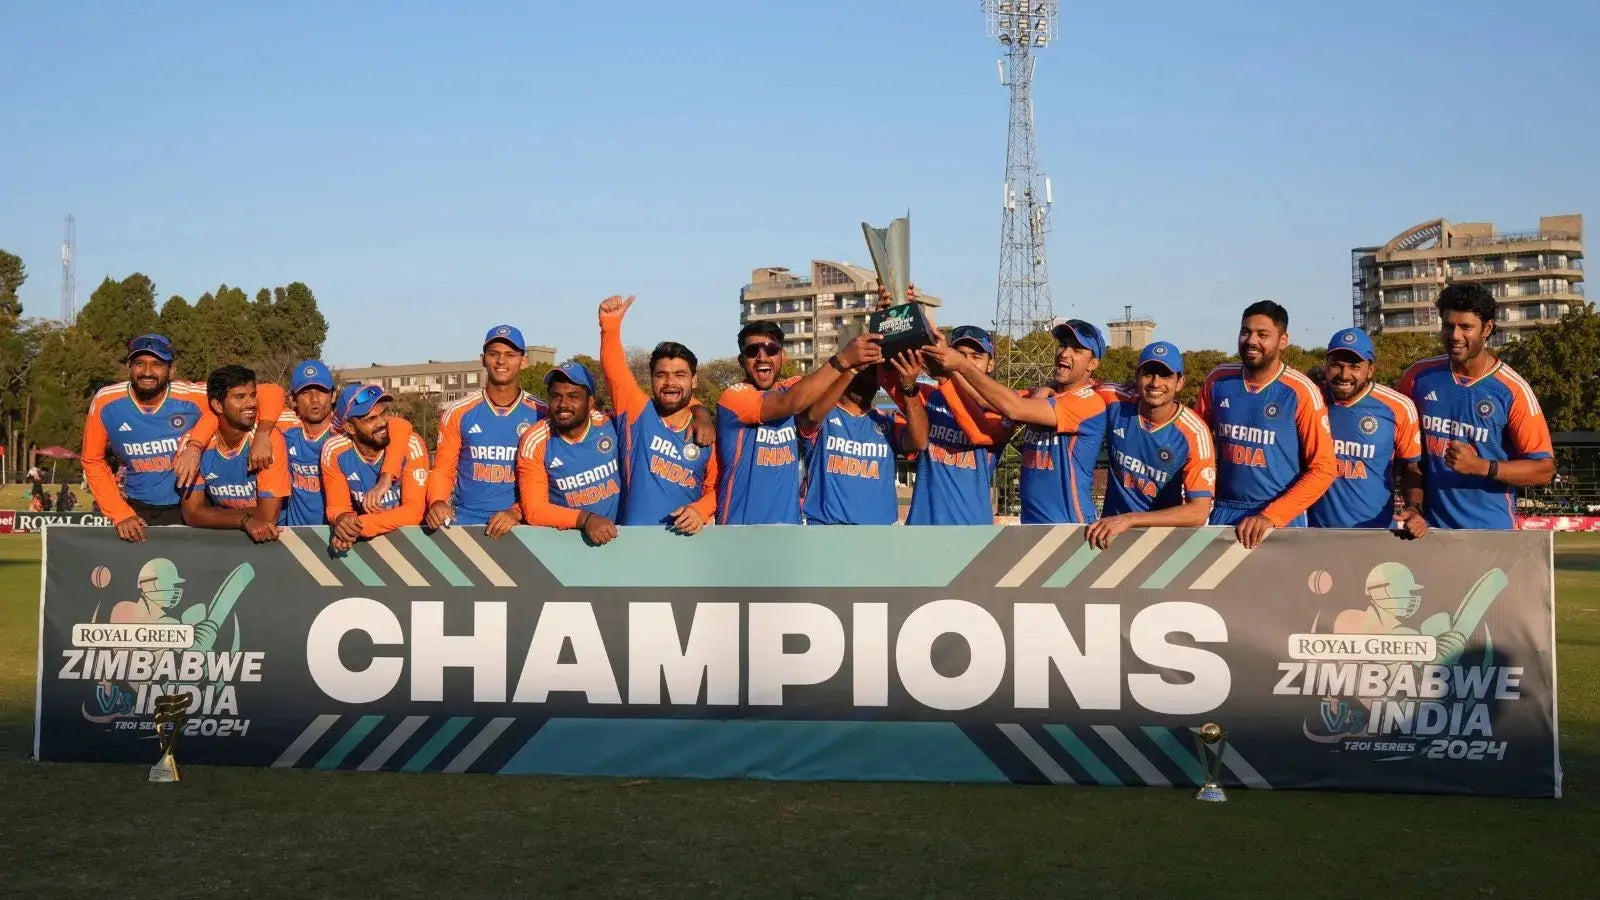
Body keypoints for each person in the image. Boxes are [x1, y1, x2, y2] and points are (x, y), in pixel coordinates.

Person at [81, 334, 283, 543]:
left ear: (172, 370)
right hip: (135, 510)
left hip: (190, 508)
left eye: (157, 364)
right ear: (128, 366)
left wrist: (261, 433)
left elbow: (269, 392)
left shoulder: (191, 395)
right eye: (139, 363)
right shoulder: (106, 401)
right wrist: (119, 512)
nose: (147, 372)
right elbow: (92, 460)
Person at [1398, 283, 1555, 529]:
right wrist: (1413, 506)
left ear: (1487, 328)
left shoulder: (1512, 390)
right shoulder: (1418, 377)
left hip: (1490, 534)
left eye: (1465, 327)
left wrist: (1480, 466)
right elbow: (1403, 453)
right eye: (1448, 326)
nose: (1454, 336)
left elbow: (1544, 470)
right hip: (1430, 531)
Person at [923, 321, 1110, 525]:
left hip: (1069, 525)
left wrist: (960, 365)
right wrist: (947, 371)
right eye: (1063, 345)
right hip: (1031, 523)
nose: (1065, 353)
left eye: (1077, 350)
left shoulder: (1088, 402)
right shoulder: (1041, 394)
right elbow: (985, 398)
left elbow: (1013, 407)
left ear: (1093, 364)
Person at [714, 320, 885, 525]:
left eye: (771, 349)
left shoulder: (794, 387)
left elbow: (827, 393)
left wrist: (880, 323)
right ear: (742, 361)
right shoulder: (734, 397)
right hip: (740, 528)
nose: (762, 357)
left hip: (789, 529)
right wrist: (844, 359)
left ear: (783, 356)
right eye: (752, 351)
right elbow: (792, 402)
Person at [1194, 301, 1336, 548]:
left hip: (1278, 517)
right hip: (1225, 511)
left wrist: (1273, 515)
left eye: (1262, 334)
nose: (1251, 340)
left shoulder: (1301, 391)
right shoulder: (1218, 380)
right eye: (1245, 332)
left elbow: (1324, 468)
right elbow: (1193, 440)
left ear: (1283, 340)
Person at [598, 295, 717, 533]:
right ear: (651, 379)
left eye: (680, 375)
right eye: (661, 375)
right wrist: (610, 327)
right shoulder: (637, 413)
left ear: (694, 380)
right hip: (635, 542)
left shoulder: (706, 434)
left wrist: (700, 510)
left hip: (686, 543)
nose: (670, 382)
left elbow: (716, 488)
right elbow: (615, 372)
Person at [1085, 342, 1217, 548]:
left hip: (1160, 543)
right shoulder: (1114, 398)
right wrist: (1046, 389)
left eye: (1165, 375)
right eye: (1148, 374)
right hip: (1108, 537)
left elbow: (1199, 512)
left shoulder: (1195, 432)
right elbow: (1075, 388)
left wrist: (1130, 520)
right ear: (1137, 377)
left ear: (1180, 382)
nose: (1156, 382)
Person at [423, 326, 548, 539]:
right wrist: (437, 501)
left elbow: (549, 478)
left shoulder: (541, 413)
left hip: (521, 522)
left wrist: (517, 512)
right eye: (494, 354)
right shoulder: (458, 411)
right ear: (483, 359)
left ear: (523, 361)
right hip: (465, 520)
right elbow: (443, 469)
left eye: (510, 355)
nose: (501, 361)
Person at [1308, 328, 1426, 536]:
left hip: (1376, 533)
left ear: (1370, 370)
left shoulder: (1398, 407)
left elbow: (1412, 468)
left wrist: (1414, 509)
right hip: (1314, 532)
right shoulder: (1311, 399)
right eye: (1336, 365)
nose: (1344, 375)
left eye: (1354, 367)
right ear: (1326, 366)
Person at [795, 352, 931, 525]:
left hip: (878, 531)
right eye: (861, 371)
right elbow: (811, 417)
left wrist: (909, 388)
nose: (866, 377)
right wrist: (851, 369)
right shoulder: (823, 416)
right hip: (826, 528)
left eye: (873, 373)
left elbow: (920, 441)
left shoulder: (888, 420)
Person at [516, 363, 623, 545]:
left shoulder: (611, 424)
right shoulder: (535, 440)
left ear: (590, 402)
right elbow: (535, 510)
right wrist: (585, 519)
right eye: (556, 397)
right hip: (567, 543)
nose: (563, 404)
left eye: (573, 397)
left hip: (623, 538)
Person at [180, 365, 290, 542]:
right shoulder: (193, 446)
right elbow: (192, 514)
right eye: (240, 397)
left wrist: (213, 515)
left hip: (272, 538)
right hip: (224, 537)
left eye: (253, 395)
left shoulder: (268, 439)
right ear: (217, 405)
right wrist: (243, 520)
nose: (251, 403)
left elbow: (268, 516)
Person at [322, 384, 429, 552]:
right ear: (350, 428)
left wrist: (358, 526)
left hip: (415, 545)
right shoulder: (334, 451)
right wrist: (343, 522)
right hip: (368, 548)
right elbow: (337, 506)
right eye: (370, 419)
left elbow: (413, 512)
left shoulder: (411, 444)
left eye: (383, 413)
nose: (382, 422)